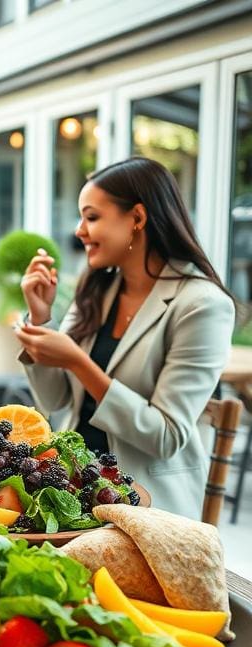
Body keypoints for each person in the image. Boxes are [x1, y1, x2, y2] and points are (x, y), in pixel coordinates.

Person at [16, 156, 235, 516]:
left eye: (91, 217)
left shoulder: (202, 305)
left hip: (149, 506)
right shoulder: (98, 291)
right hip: (74, 493)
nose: (79, 231)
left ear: (137, 218)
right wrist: (41, 317)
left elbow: (166, 436)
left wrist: (79, 362)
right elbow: (54, 399)